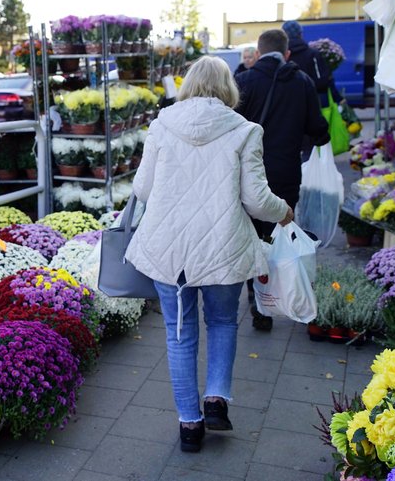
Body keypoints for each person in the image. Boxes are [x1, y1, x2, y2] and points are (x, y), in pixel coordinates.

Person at [125, 56, 293, 453]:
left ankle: (189, 426)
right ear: (228, 88)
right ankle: (216, 400)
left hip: (170, 252)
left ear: (188, 86)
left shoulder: (161, 125)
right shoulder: (245, 130)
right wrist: (283, 211)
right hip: (224, 247)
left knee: (179, 335)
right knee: (222, 322)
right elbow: (255, 200)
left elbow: (143, 189)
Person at [235, 28, 331, 331]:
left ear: (259, 53)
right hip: (287, 175)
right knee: (279, 235)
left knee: (254, 237)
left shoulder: (245, 81)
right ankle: (283, 294)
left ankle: (258, 300)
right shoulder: (302, 82)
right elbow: (319, 129)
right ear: (287, 54)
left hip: (250, 177)